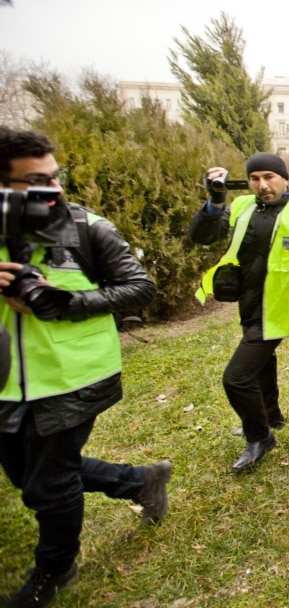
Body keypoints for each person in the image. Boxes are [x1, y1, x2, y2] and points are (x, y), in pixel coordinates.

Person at [0, 127, 168, 607]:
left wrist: (64, 302)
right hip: (7, 379)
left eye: (57, 178)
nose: (52, 190)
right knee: (26, 475)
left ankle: (55, 568)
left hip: (71, 376)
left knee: (48, 486)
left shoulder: (86, 228)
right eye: (35, 182)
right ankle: (139, 481)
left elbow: (139, 288)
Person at [190, 152, 289, 473]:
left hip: (281, 306)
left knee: (236, 378)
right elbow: (201, 236)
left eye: (269, 177)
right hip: (250, 302)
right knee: (261, 365)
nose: (262, 185)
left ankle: (260, 436)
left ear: (285, 178)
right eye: (255, 178)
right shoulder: (242, 206)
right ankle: (271, 415)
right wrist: (215, 201)